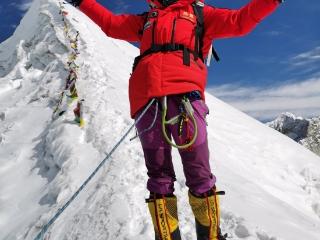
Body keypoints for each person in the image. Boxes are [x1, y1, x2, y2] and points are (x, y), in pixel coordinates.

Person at [66, 0, 283, 239]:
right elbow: (110, 24)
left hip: (185, 97)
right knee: (158, 175)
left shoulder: (200, 14)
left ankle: (210, 235)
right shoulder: (146, 19)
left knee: (199, 171)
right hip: (146, 100)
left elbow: (240, 22)